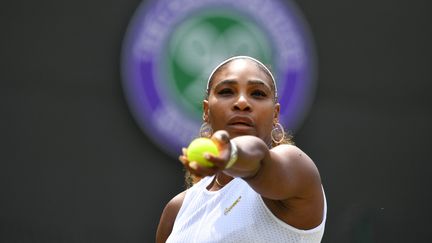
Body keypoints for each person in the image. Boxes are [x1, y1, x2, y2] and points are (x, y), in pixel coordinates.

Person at [156, 56, 326, 242]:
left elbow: (258, 159)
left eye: (258, 94)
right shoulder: (177, 210)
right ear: (206, 111)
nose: (242, 102)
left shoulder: (294, 166)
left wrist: (231, 155)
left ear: (275, 114)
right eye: (227, 91)